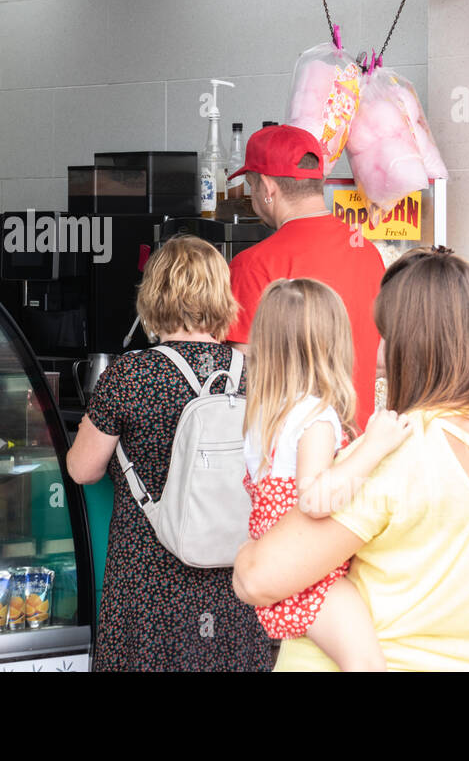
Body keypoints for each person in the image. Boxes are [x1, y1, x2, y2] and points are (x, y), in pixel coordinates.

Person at [232, 247, 469, 671]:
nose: (380, 354)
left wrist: (244, 552)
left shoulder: (399, 447)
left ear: (415, 342)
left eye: (386, 334)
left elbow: (256, 578)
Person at [66, 235, 271, 671]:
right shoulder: (254, 375)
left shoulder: (130, 374)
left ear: (153, 295)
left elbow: (83, 469)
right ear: (221, 295)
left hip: (148, 578)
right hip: (235, 572)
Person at [241, 277, 413, 671]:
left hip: (277, 558)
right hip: (311, 572)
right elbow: (315, 500)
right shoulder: (316, 416)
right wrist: (373, 445)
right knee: (367, 665)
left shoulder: (264, 413)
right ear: (331, 344)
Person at [226, 124, 384, 430]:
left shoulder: (252, 264)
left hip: (288, 457)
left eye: (251, 185)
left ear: (268, 188)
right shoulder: (367, 251)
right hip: (357, 449)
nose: (252, 196)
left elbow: (243, 374)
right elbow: (380, 360)